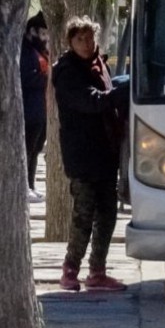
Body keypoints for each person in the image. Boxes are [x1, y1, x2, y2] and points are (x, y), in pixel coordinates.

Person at [51, 16, 127, 293]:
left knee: (107, 214)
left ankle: (98, 271)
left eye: (89, 38)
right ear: (70, 42)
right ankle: (70, 270)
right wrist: (121, 93)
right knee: (84, 215)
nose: (86, 43)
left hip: (106, 153)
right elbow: (92, 101)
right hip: (83, 155)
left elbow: (106, 92)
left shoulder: (99, 64)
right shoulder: (67, 71)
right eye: (80, 39)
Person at [20, 13, 50, 202]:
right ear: (32, 31)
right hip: (29, 109)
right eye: (43, 33)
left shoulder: (40, 51)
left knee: (36, 149)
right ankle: (24, 186)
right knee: (27, 149)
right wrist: (46, 78)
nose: (46, 37)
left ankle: (31, 185)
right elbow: (26, 78)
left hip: (41, 108)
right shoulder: (25, 51)